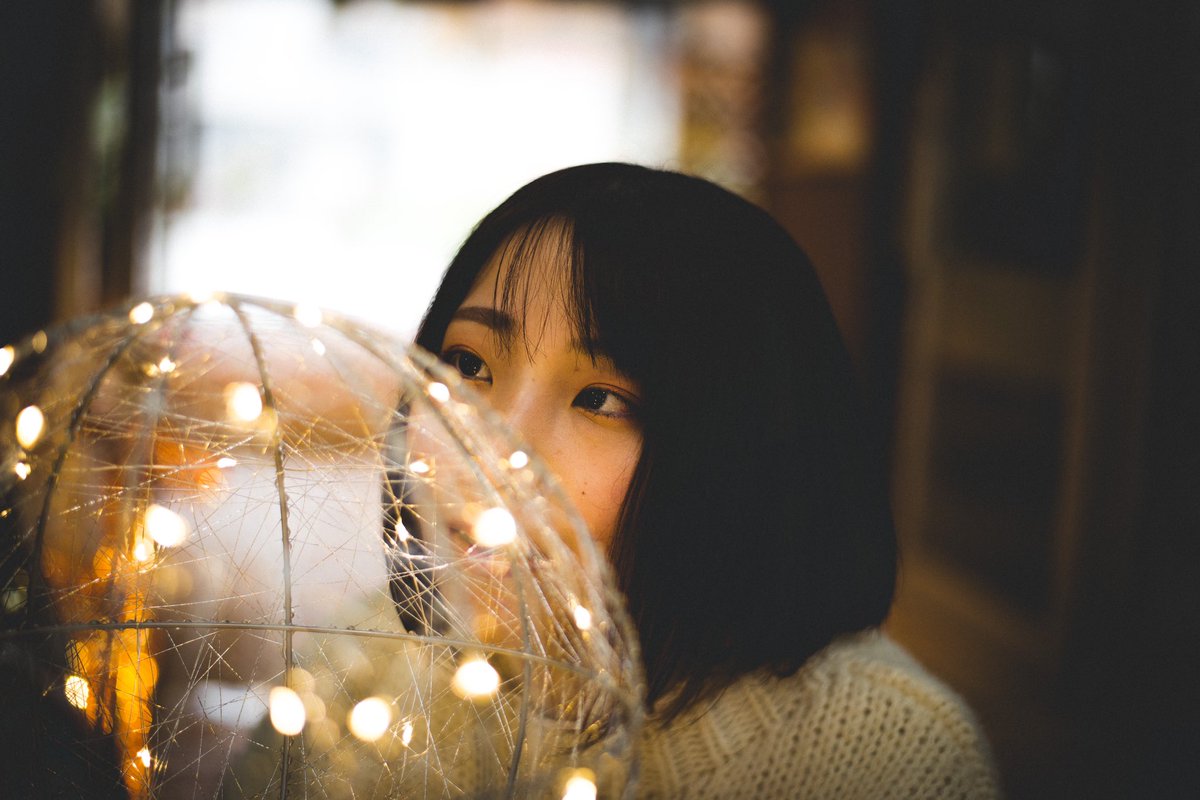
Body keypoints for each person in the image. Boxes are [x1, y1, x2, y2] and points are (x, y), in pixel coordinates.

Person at [413, 163, 1001, 798]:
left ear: (733, 453)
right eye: (467, 364)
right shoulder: (358, 682)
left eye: (602, 399)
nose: (491, 448)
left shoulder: (888, 759)